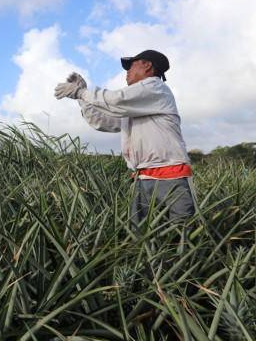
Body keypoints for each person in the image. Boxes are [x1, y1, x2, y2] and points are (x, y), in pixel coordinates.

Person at [53, 50, 195, 227]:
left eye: (131, 65)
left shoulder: (155, 87)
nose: (126, 71)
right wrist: (82, 99)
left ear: (147, 65)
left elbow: (115, 101)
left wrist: (82, 92)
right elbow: (102, 122)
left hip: (171, 176)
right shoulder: (135, 105)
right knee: (141, 236)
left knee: (182, 233)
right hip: (142, 178)